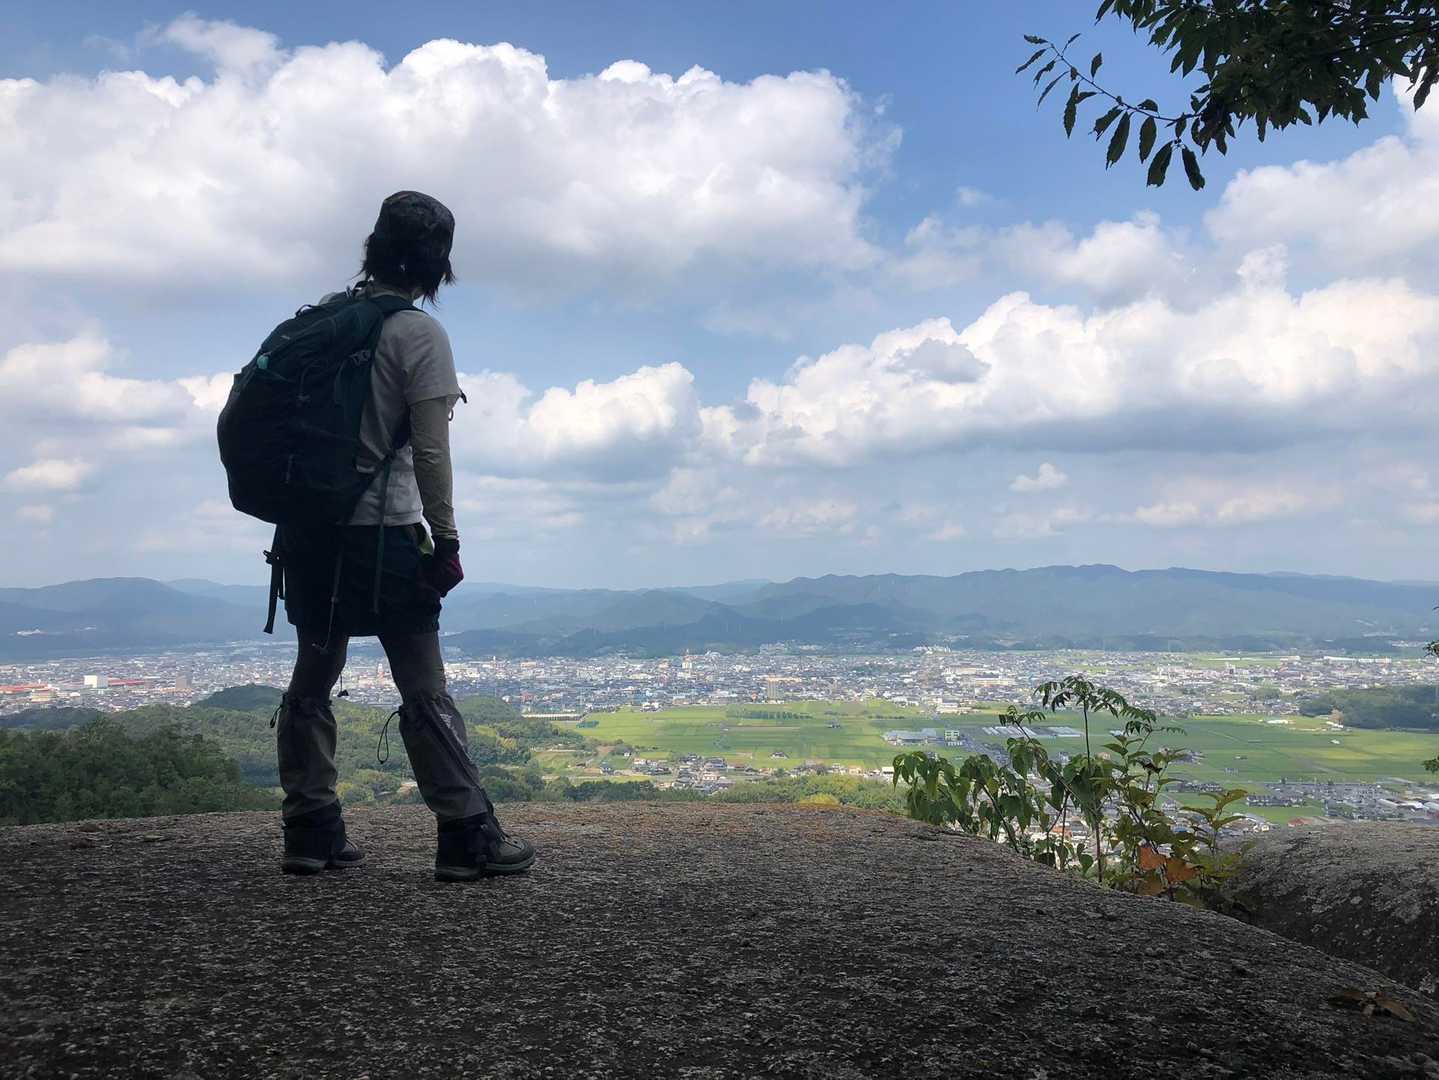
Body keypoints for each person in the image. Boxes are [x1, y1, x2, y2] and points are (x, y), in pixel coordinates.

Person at [272, 191, 535, 881]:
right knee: (422, 684)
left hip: (309, 536)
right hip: (383, 537)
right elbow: (430, 453)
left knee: (312, 677)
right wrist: (446, 539)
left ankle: (310, 829)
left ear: (373, 248)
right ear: (438, 266)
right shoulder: (417, 334)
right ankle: (466, 834)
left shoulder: (323, 322)